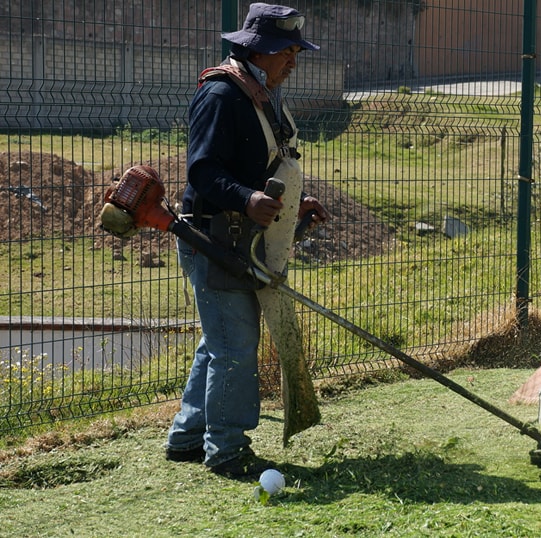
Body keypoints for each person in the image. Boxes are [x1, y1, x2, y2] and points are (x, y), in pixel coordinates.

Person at [164, 3, 328, 478]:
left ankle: (187, 437)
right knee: (234, 346)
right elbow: (203, 170)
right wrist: (246, 198)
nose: (293, 60)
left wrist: (295, 201)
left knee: (219, 341)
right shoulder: (221, 95)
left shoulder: (263, 94)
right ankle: (228, 450)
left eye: (296, 50)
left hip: (243, 238)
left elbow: (264, 161)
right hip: (213, 236)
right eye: (286, 51)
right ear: (257, 50)